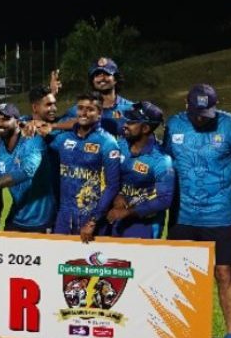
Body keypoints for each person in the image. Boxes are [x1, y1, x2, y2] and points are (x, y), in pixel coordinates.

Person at [163, 84, 231, 338]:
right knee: (181, 273)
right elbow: (167, 162)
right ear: (187, 106)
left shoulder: (230, 124)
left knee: (223, 273)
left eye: (207, 113)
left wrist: (227, 192)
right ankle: (186, 333)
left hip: (218, 214)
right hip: (182, 213)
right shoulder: (174, 124)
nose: (202, 118)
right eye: (197, 113)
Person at [0, 103, 55, 232]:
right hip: (16, 216)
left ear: (17, 121)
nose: (0, 124)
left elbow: (27, 171)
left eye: (5, 119)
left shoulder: (32, 140)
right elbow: (0, 171)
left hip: (40, 219)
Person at [49, 93, 121, 236]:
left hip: (91, 216)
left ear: (99, 113)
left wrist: (93, 221)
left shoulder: (107, 142)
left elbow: (112, 185)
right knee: (58, 257)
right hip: (64, 215)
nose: (84, 113)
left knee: (89, 259)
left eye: (90, 109)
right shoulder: (63, 139)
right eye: (81, 108)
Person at [103, 101, 173, 240]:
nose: (125, 125)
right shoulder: (119, 146)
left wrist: (128, 212)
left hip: (145, 225)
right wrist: (117, 196)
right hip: (116, 219)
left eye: (131, 122)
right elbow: (105, 175)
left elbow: (164, 200)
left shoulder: (161, 160)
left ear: (146, 128)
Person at [59, 57, 135, 136]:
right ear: (93, 81)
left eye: (107, 74)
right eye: (97, 75)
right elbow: (54, 132)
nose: (102, 78)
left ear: (115, 79)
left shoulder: (130, 108)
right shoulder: (77, 110)